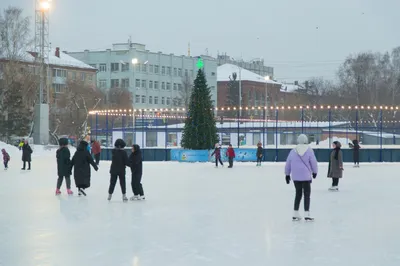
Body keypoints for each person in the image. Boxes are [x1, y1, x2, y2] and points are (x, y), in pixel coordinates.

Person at [285, 134, 318, 221]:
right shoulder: (309, 150)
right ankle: (307, 214)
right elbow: (313, 162)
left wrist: (287, 174)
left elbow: (288, 163)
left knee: (298, 194)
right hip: (306, 176)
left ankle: (295, 213)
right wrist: (315, 172)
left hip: (296, 176)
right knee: (307, 195)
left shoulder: (293, 151)